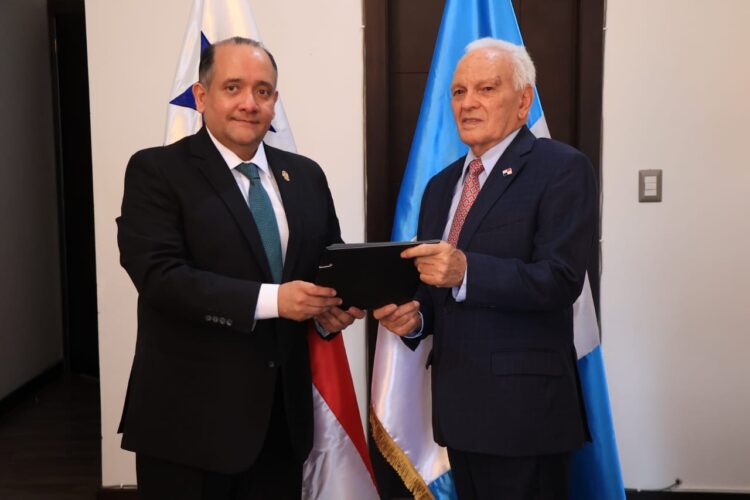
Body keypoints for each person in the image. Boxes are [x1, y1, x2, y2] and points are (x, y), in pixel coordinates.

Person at [116, 37, 363, 500]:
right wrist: (276, 300)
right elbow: (161, 279)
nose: (250, 103)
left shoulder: (306, 175)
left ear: (274, 101)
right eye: (233, 88)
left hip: (281, 425)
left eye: (263, 91)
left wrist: (330, 310)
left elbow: (327, 266)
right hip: (188, 428)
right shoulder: (157, 171)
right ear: (201, 96)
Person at [374, 38, 596, 499]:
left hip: (525, 416)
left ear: (524, 101)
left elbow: (560, 280)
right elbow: (436, 293)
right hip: (457, 412)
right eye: (458, 92)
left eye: (486, 89)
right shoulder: (440, 187)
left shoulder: (562, 168)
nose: (468, 103)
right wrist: (416, 319)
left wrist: (467, 272)